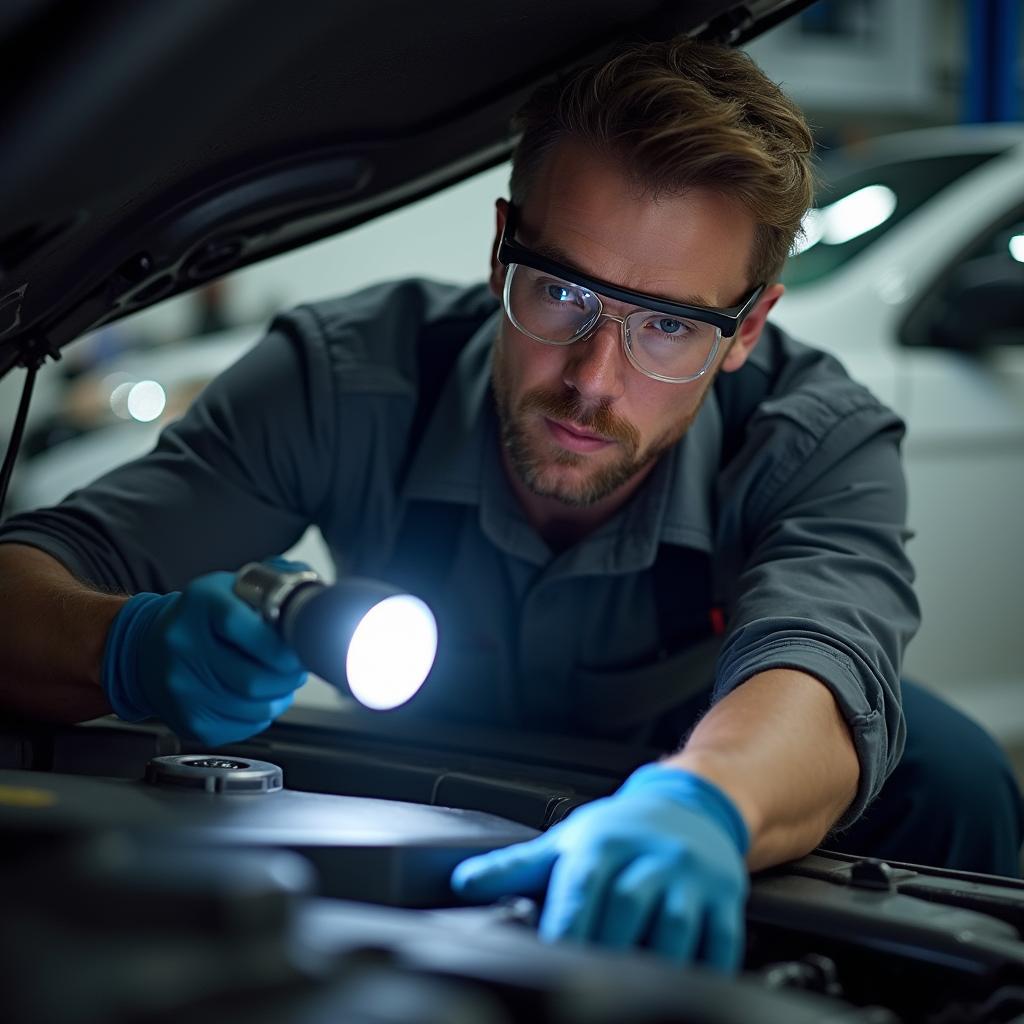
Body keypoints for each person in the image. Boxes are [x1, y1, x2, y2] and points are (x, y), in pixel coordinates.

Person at [0, 37, 1020, 971]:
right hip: (421, 750)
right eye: (562, 292)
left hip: (692, 748)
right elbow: (27, 577)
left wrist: (698, 802)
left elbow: (822, 665)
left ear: (747, 328)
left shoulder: (815, 433)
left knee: (952, 775)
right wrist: (124, 645)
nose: (593, 379)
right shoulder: (343, 377)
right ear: (500, 250)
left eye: (667, 326)